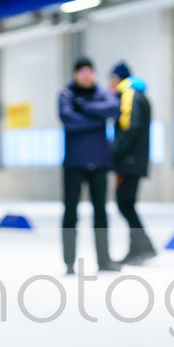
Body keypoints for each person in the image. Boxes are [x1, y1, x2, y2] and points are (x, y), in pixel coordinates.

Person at [58, 57, 121, 274]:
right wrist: (98, 119)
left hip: (100, 163)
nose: (86, 75)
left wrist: (84, 107)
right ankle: (69, 262)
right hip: (74, 163)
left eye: (89, 71)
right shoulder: (66, 95)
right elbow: (68, 119)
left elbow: (114, 110)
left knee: (101, 212)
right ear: (75, 74)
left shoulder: (100, 93)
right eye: (82, 71)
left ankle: (104, 260)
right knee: (70, 213)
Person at [108, 61, 156, 265]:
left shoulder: (129, 95)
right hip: (134, 158)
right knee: (126, 203)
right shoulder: (136, 95)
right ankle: (139, 247)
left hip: (130, 159)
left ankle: (143, 246)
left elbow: (130, 127)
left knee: (124, 202)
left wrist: (115, 151)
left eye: (111, 79)